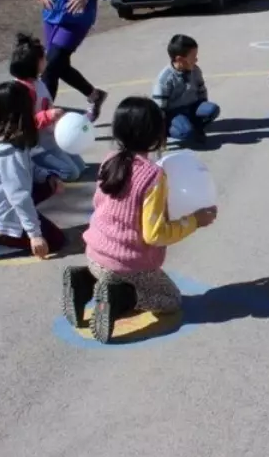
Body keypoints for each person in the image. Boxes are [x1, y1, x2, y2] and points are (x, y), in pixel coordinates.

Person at [69, 97, 219, 343]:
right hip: (128, 265)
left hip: (94, 255)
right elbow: (155, 234)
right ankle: (119, 298)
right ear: (155, 135)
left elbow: (99, 205)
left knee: (115, 275)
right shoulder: (153, 177)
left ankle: (84, 280)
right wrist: (194, 221)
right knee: (171, 300)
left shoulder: (109, 160)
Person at [0, 81, 66, 261]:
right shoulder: (10, 150)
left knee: (47, 185)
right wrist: (34, 234)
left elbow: (28, 168)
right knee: (56, 241)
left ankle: (0, 227)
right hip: (0, 208)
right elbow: (18, 195)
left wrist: (48, 176)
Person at [10, 33, 86, 181]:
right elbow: (24, 123)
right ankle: (33, 168)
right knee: (71, 173)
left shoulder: (38, 82)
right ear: (34, 63)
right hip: (36, 148)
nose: (46, 60)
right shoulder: (22, 90)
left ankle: (48, 163)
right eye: (43, 58)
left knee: (80, 167)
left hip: (51, 140)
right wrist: (49, 116)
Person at [152, 34, 220, 146]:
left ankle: (197, 127)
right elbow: (159, 110)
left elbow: (201, 91)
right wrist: (160, 135)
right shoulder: (165, 79)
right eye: (193, 57)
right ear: (180, 59)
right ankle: (170, 130)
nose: (196, 59)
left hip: (193, 106)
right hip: (174, 112)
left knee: (212, 109)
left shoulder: (195, 70)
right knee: (185, 133)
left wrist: (203, 107)